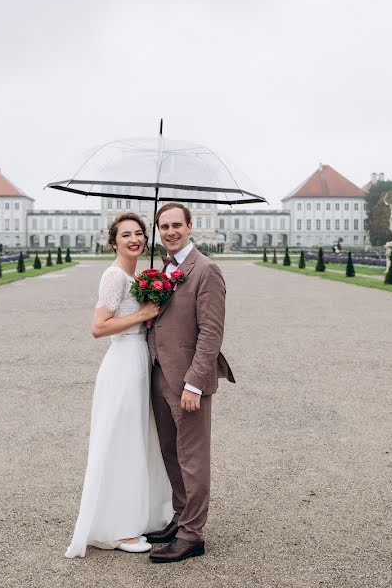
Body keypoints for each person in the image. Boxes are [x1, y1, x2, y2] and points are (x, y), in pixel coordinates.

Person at [65, 212, 174, 558]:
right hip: (123, 364)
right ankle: (117, 528)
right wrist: (143, 315)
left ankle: (139, 513)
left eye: (139, 233)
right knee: (122, 441)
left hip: (139, 363)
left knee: (139, 439)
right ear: (113, 242)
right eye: (126, 234)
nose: (134, 239)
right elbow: (98, 327)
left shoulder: (137, 276)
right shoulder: (114, 276)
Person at [144, 203, 235, 564]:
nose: (170, 232)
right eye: (163, 226)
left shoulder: (206, 270)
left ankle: (193, 534)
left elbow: (211, 333)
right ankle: (180, 517)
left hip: (187, 381)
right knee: (169, 451)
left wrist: (195, 384)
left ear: (189, 226)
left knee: (193, 457)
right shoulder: (162, 270)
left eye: (176, 225)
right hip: (159, 375)